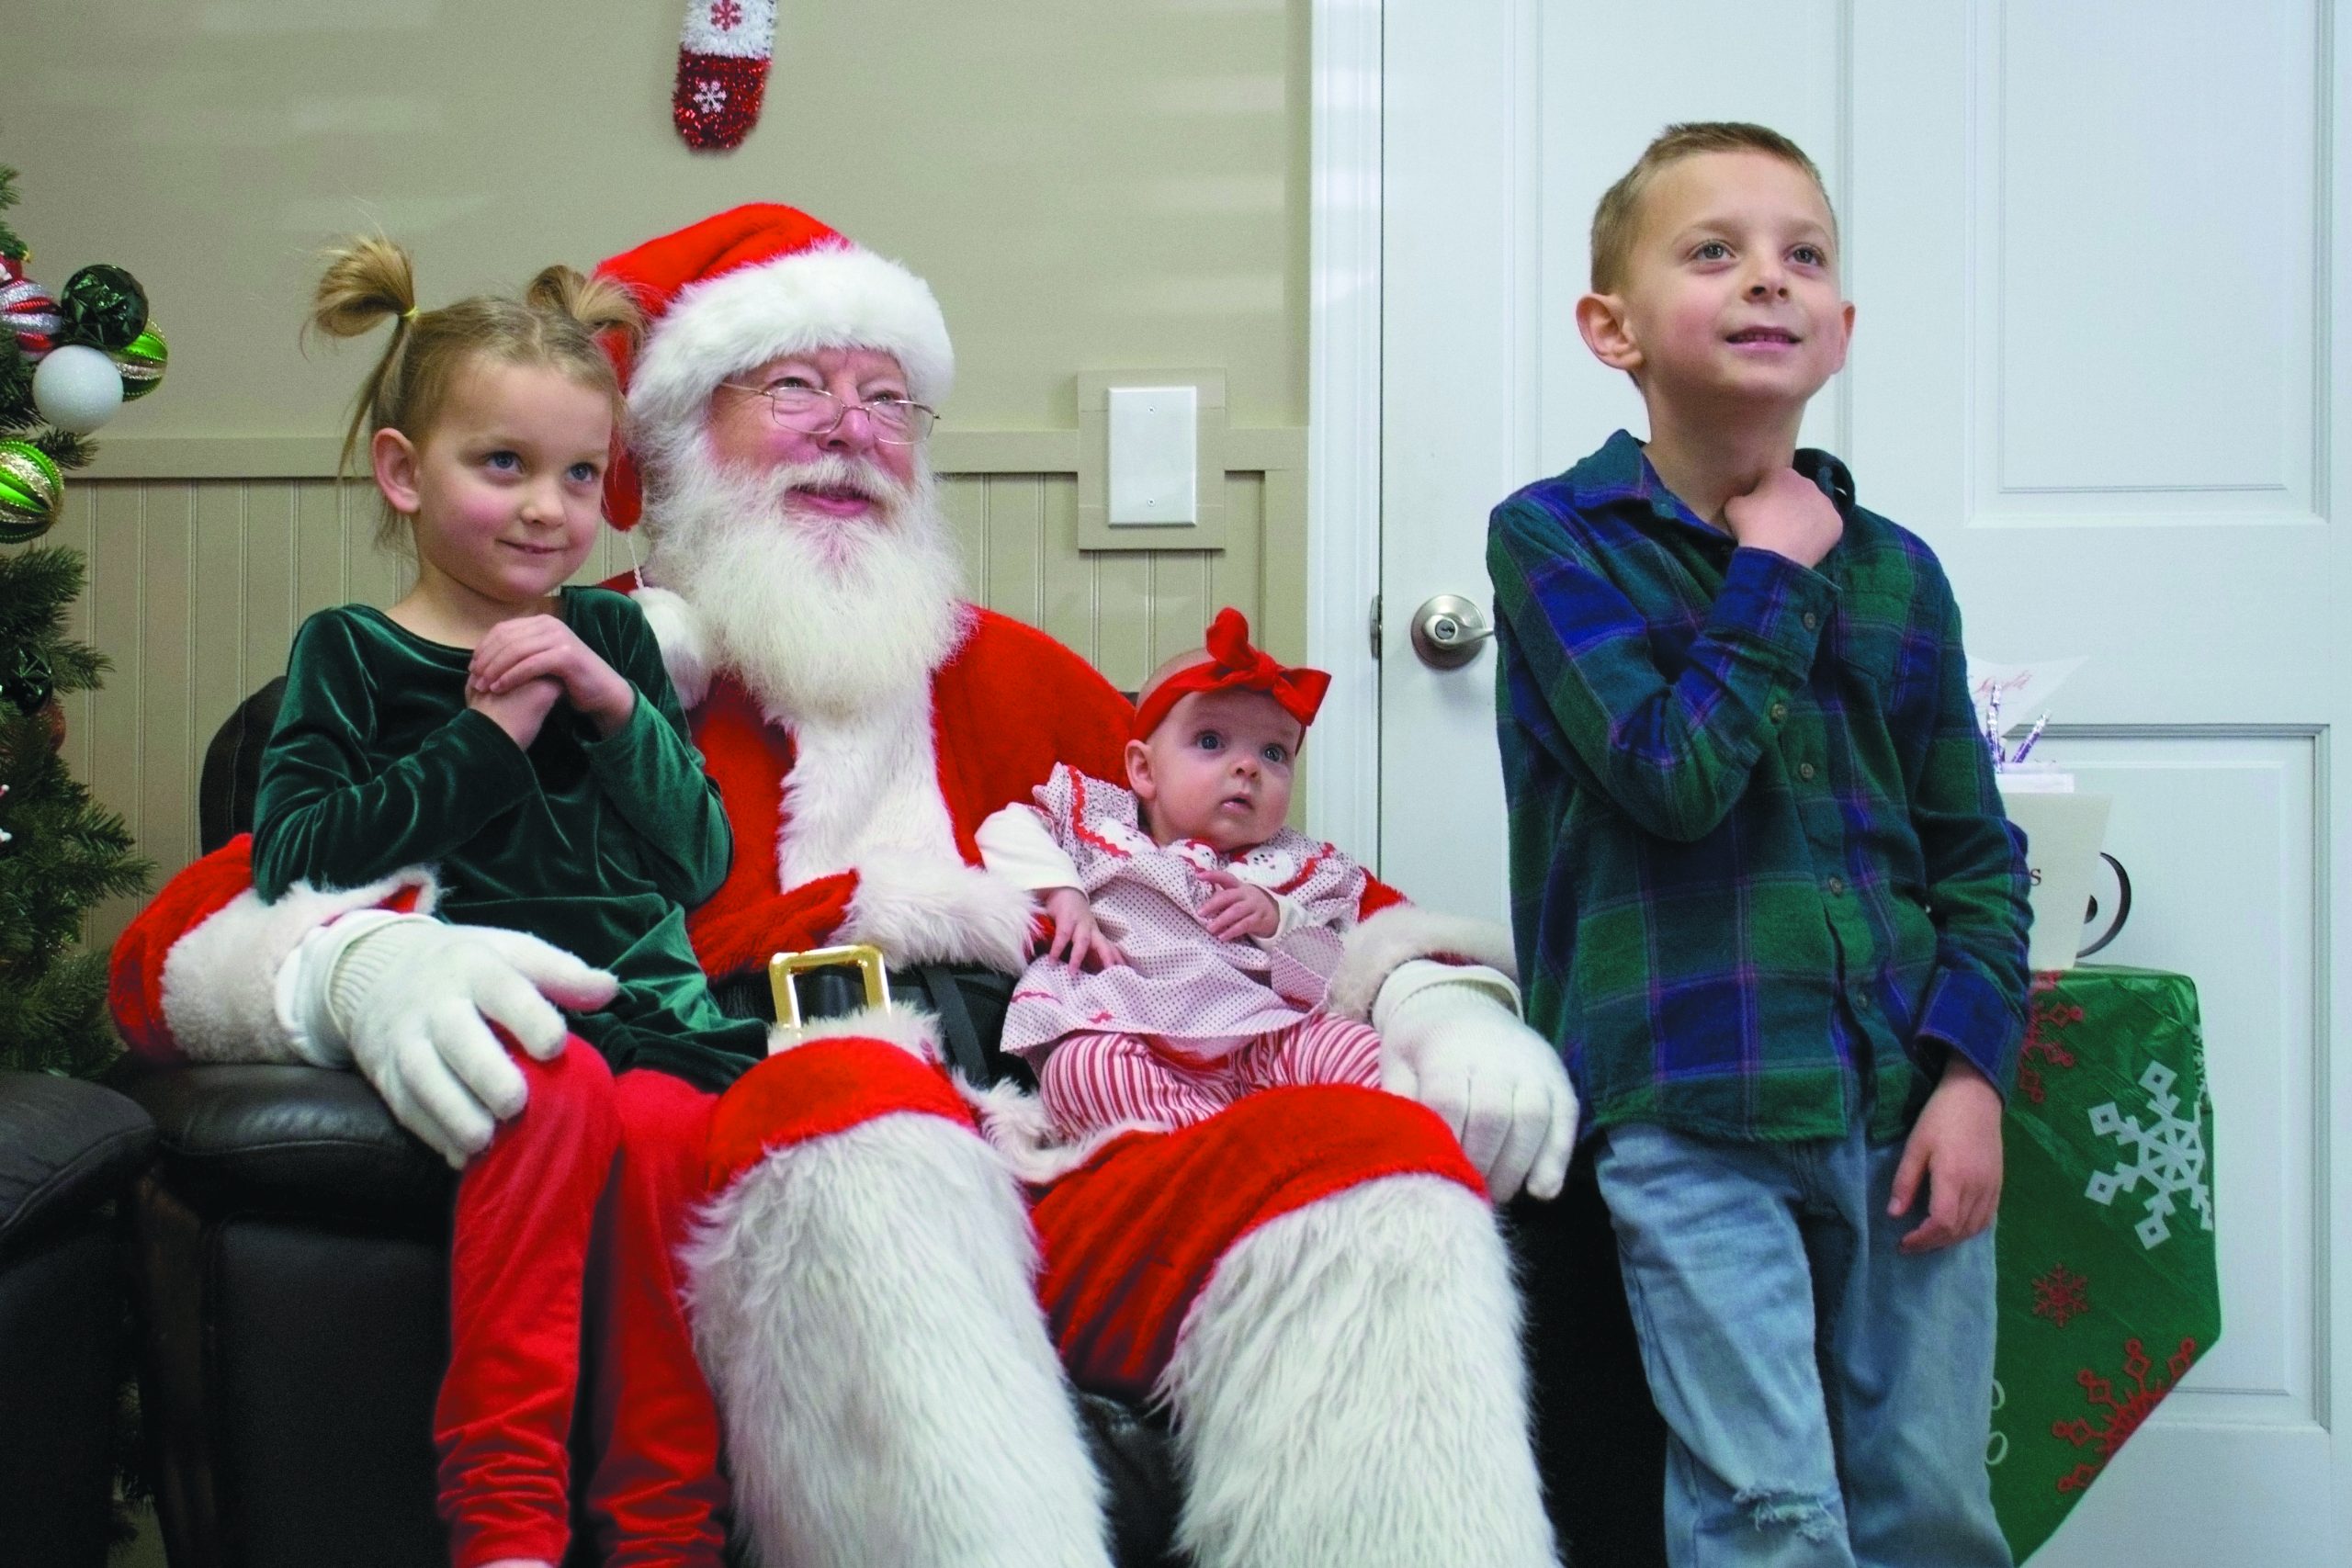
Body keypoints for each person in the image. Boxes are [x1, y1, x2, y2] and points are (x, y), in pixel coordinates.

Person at [114, 203, 1578, 1568]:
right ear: (680, 434)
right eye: (795, 386)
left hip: (1050, 1141)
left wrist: (1447, 1004)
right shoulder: (562, 660)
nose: (852, 433)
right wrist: (351, 965)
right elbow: (200, 927)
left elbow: (1290, 888)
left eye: (887, 396)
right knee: (856, 1113)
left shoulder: (1010, 674)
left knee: (1363, 1164)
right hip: (770, 1158)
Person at [1487, 122, 2031, 1566]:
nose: (1767, 281)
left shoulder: (1902, 572)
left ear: (1841, 328)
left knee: (1933, 1506)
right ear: (1613, 327)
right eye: (1713, 251)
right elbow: (1671, 774)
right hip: (1693, 1108)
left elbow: (1975, 855)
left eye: (1803, 255)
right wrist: (1773, 568)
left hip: (1896, 1105)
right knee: (1763, 1509)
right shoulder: (1554, 542)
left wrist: (1972, 1073)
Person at [252, 240, 763, 1568]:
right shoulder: (352, 652)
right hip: (491, 1016)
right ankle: (506, 1525)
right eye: (505, 466)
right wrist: (488, 734)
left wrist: (603, 700)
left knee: (662, 1133)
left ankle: (665, 1532)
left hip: (656, 1013)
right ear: (405, 472)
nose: (549, 508)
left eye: (580, 475)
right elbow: (295, 861)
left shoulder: (622, 638)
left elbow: (698, 857)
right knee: (562, 1090)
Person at [978, 607, 1416, 1142]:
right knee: (1079, 1069)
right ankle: (1210, 1153)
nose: (1247, 767)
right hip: (1134, 1029)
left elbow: (1338, 969)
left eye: (1273, 752)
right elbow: (1005, 828)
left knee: (1363, 1053)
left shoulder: (1295, 865)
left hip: (1266, 1035)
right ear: (1143, 770)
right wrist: (1063, 892)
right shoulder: (1101, 822)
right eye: (1211, 741)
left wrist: (1279, 918)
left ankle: (1325, 1152)